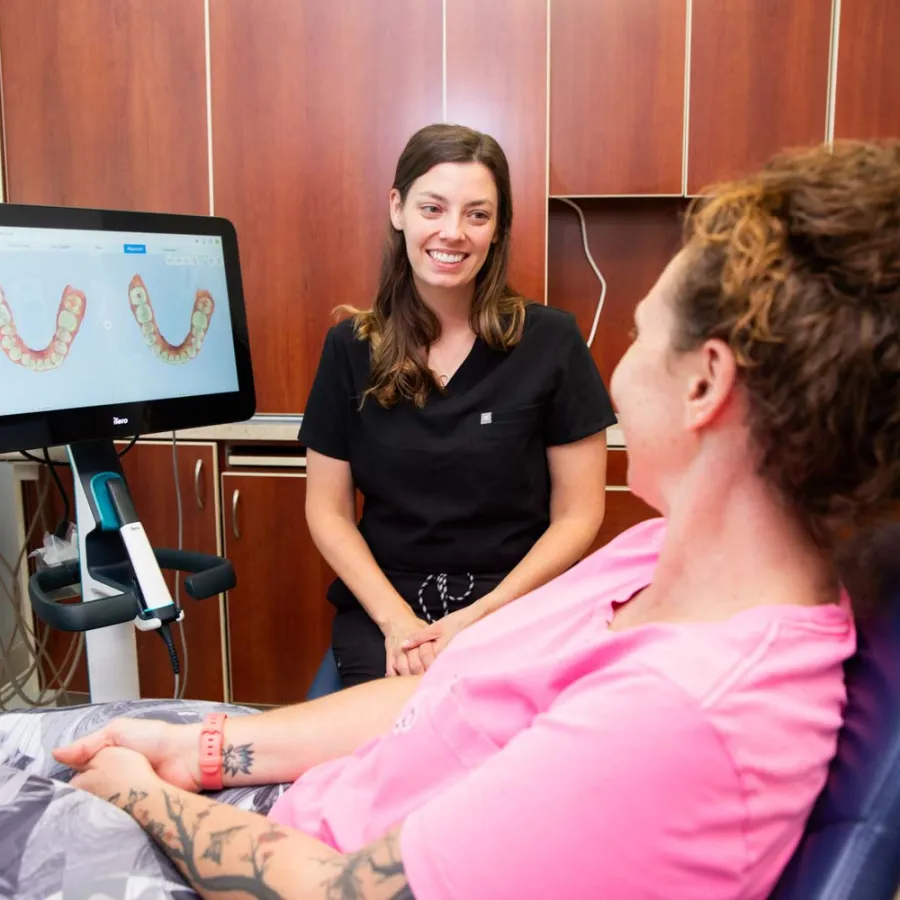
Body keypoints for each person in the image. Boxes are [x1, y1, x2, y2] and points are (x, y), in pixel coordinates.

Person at [5, 138, 899, 900]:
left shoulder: (676, 718)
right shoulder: (657, 553)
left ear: (704, 384)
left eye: (637, 333)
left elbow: (343, 890)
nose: (619, 372)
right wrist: (196, 752)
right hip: (307, 803)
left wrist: (144, 796)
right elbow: (445, 699)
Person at [299, 123, 616, 686]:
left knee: (485, 726)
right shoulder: (349, 349)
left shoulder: (551, 342)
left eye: (477, 214)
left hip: (515, 600)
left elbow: (578, 514)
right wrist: (397, 622)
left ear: (498, 228)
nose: (453, 232)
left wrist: (482, 617)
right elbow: (328, 512)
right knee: (391, 728)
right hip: (386, 603)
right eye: (432, 208)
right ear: (397, 208)